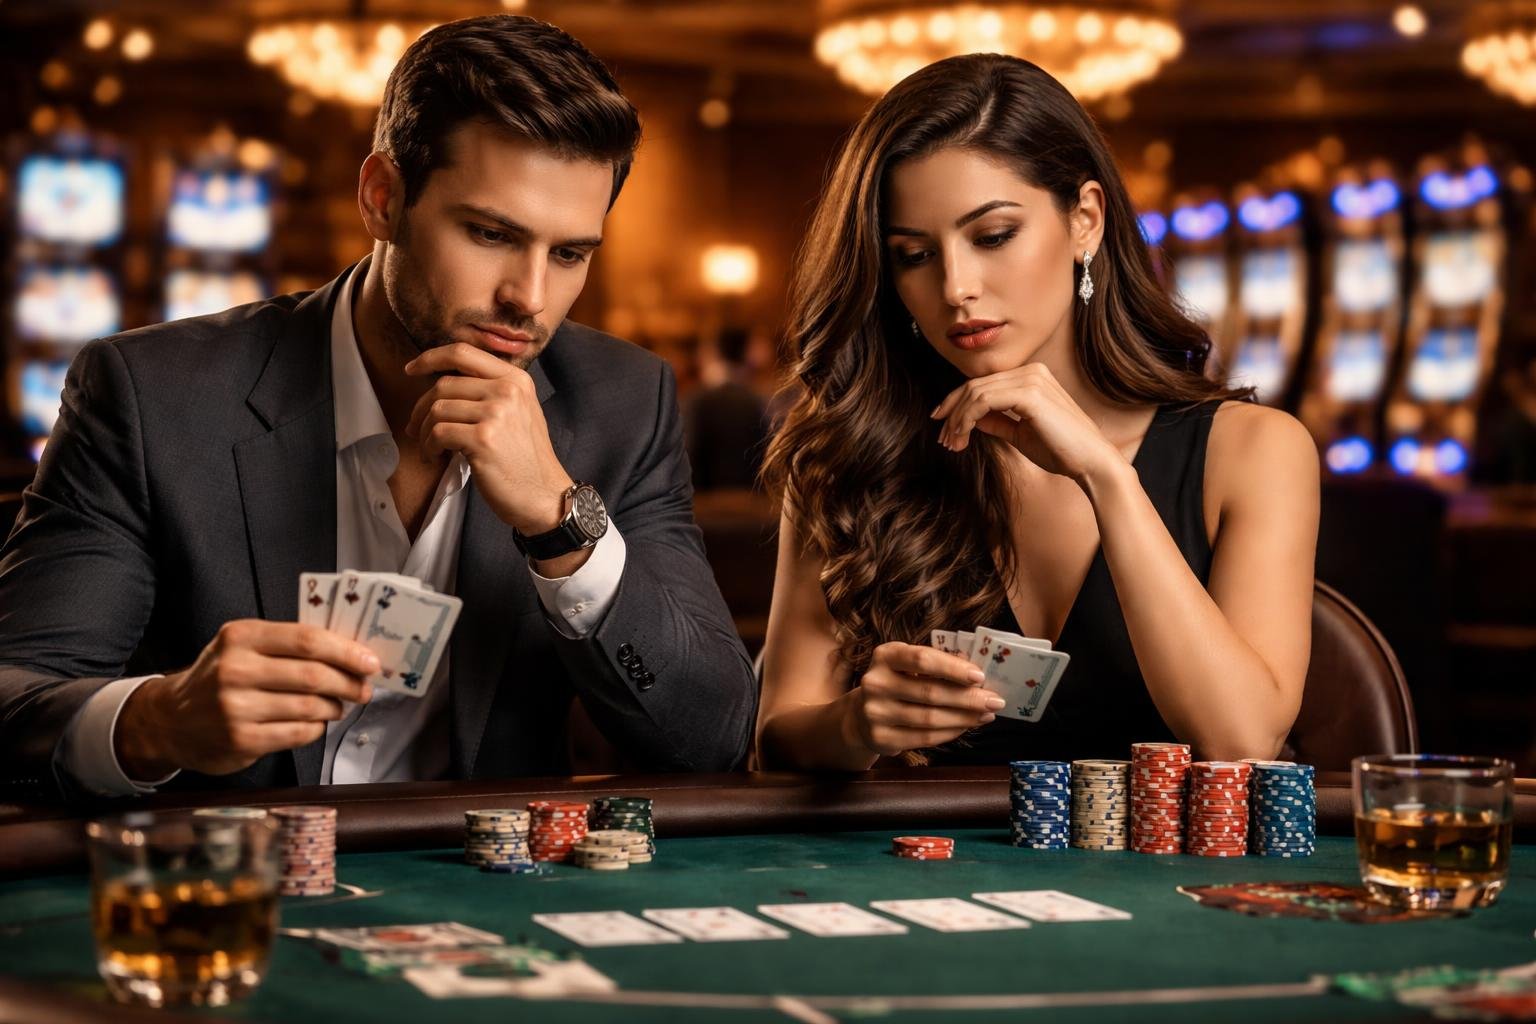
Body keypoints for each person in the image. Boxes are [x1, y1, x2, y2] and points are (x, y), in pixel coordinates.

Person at [0, 15, 756, 803]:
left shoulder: (623, 402)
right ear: (382, 198)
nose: (529, 300)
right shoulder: (151, 394)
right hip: (226, 890)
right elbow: (15, 697)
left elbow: (713, 737)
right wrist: (156, 721)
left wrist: (561, 522)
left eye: (569, 254)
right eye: (492, 234)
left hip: (484, 896)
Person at [755, 54, 1319, 771]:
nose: (957, 287)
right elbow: (773, 746)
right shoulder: (852, 451)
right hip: (929, 878)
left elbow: (1240, 741)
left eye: (992, 237)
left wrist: (1105, 476)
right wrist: (858, 724)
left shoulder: (1255, 451)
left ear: (1085, 220)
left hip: (1173, 883)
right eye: (914, 255)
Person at [684, 326, 772, 491]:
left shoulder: (696, 400)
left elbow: (688, 458)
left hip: (704, 505)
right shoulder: (757, 401)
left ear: (712, 351)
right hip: (750, 504)